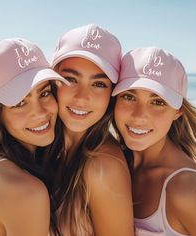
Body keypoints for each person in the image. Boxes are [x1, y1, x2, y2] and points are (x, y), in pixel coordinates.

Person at [0, 38, 69, 236]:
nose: (40, 113)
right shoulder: (27, 192)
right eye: (19, 103)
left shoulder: (2, 161)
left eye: (44, 93)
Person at [49, 24, 134, 236]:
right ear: (52, 80)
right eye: (70, 79)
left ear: (112, 93)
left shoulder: (103, 166)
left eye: (98, 84)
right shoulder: (44, 147)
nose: (81, 97)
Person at [112, 46, 196, 236]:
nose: (139, 116)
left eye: (158, 102)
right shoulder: (114, 161)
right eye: (129, 97)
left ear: (178, 111)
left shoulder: (187, 189)